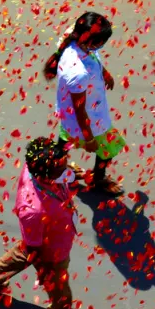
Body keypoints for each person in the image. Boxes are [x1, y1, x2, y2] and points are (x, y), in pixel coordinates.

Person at [0, 137, 87, 309]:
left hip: (38, 236)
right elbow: (33, 249)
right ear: (45, 175)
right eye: (60, 169)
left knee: (21, 253)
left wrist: (68, 173)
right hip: (52, 251)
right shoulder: (32, 211)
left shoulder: (34, 167)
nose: (66, 170)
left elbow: (29, 247)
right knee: (59, 285)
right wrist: (47, 273)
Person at [44, 12, 125, 196]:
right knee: (108, 148)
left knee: (63, 143)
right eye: (101, 42)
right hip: (90, 121)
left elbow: (93, 56)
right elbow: (80, 111)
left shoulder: (75, 36)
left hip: (72, 116)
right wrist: (89, 138)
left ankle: (57, 170)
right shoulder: (78, 72)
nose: (102, 46)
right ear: (90, 42)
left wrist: (104, 73)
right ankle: (98, 179)